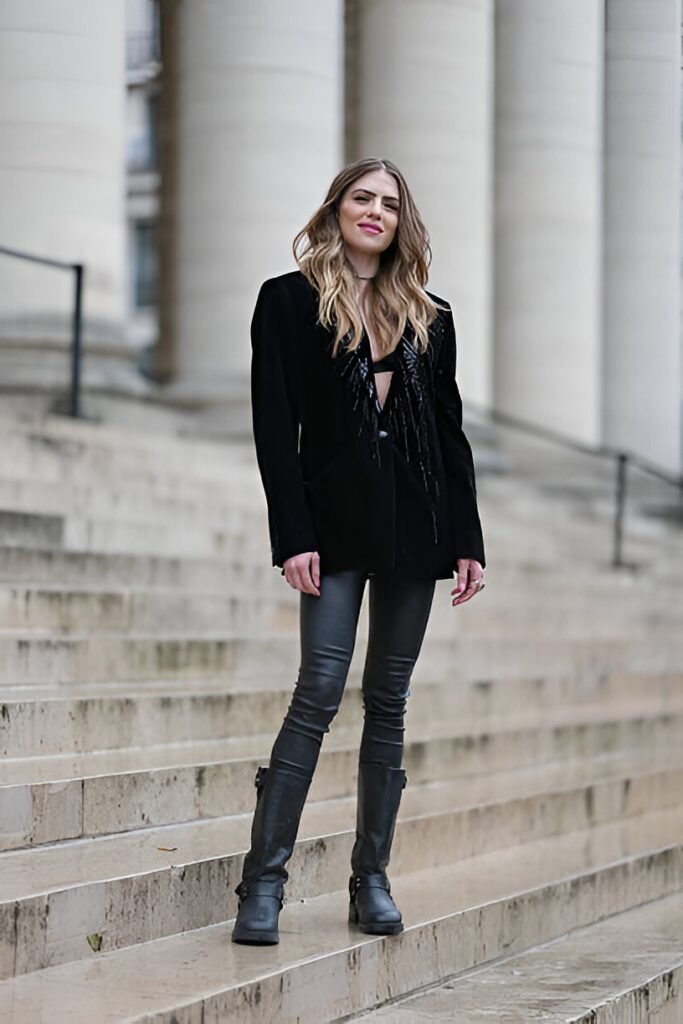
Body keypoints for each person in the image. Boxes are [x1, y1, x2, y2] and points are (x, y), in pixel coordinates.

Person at [231, 157, 486, 945]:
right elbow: (275, 431)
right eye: (360, 198)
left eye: (386, 203)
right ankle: (263, 885)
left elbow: (448, 432)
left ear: (400, 220)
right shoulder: (287, 301)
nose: (372, 211)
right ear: (336, 207)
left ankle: (370, 878)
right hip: (331, 526)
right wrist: (292, 537)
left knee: (389, 699)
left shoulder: (430, 314)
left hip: (418, 522)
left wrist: (468, 539)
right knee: (317, 689)